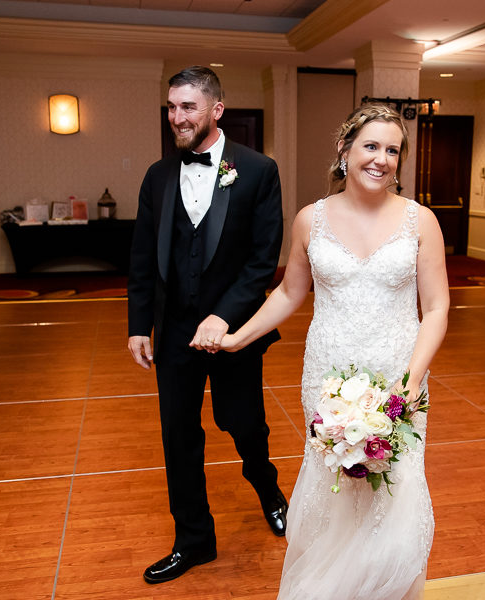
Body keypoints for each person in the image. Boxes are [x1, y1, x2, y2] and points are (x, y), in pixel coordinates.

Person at [212, 104, 449, 599]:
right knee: (333, 482)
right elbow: (287, 294)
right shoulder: (309, 220)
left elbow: (438, 308)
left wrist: (410, 379)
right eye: (371, 146)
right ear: (344, 150)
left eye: (392, 150)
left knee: (394, 488)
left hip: (398, 377)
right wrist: (238, 337)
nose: (381, 159)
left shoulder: (421, 221)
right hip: (328, 375)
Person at [127, 66, 287, 585]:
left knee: (244, 426)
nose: (177, 117)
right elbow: (142, 258)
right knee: (178, 435)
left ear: (216, 110)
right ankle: (194, 540)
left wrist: (224, 317)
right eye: (172, 107)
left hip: (235, 334)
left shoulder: (259, 171)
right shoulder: (156, 176)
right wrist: (137, 325)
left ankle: (268, 490)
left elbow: (263, 261)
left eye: (188, 107)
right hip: (173, 334)